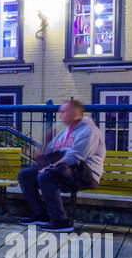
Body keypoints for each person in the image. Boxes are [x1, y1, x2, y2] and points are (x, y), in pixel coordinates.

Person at [16, 98, 106, 233]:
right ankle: (40, 215)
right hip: (64, 171)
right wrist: (46, 142)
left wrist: (50, 167)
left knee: (47, 176)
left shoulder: (89, 131)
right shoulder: (64, 133)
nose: (60, 114)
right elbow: (47, 155)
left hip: (87, 175)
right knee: (26, 174)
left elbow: (76, 156)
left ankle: (61, 222)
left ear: (75, 113)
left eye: (64, 111)